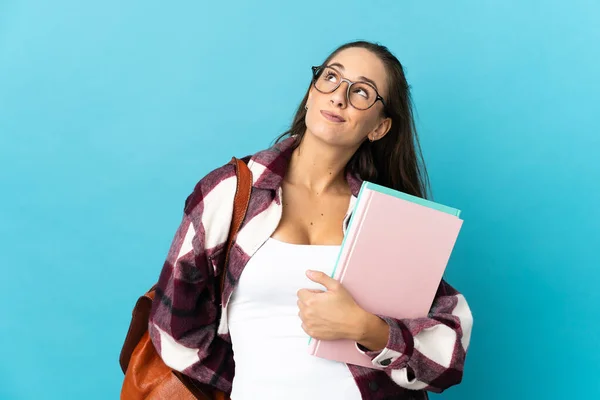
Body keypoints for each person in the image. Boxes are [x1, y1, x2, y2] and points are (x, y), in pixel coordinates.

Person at [148, 40, 473, 400]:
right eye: (331, 77)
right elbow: (172, 330)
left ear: (379, 128)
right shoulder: (229, 193)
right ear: (310, 95)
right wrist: (256, 383)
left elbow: (449, 354)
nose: (339, 97)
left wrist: (369, 330)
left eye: (362, 91)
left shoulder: (387, 219)